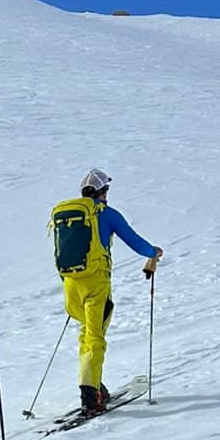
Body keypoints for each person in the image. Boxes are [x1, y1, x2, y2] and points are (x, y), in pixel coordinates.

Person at [51, 169, 162, 414]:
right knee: (95, 339)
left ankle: (94, 382)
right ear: (102, 192)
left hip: (71, 285)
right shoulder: (107, 215)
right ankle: (90, 395)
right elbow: (135, 242)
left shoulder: (70, 217)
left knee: (86, 335)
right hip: (95, 285)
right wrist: (153, 252)